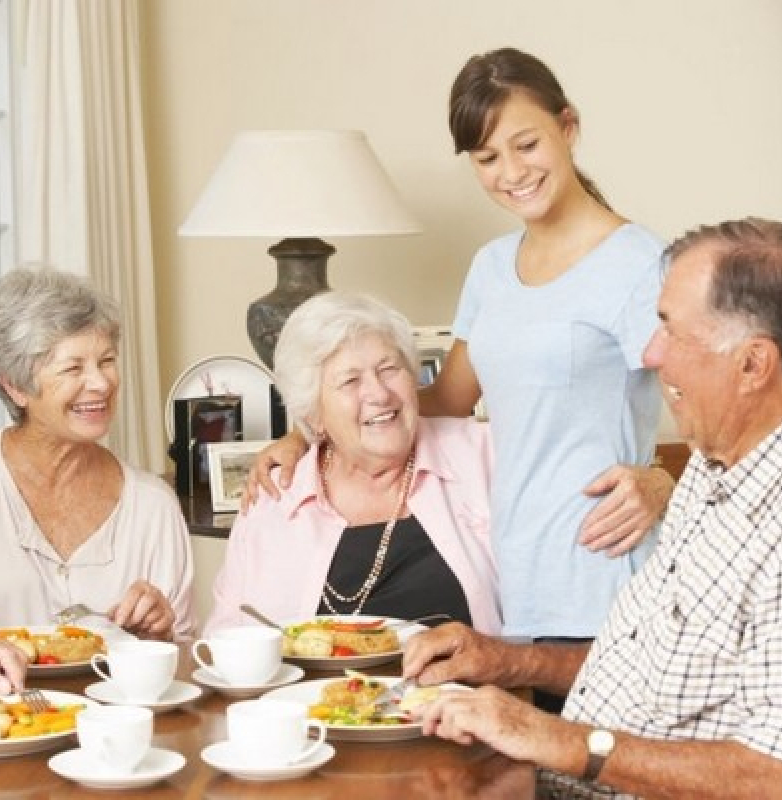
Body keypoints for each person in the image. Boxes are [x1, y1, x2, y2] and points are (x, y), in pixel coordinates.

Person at [244, 48, 673, 709]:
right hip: (513, 586)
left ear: (569, 126)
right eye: (487, 158)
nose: (512, 173)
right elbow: (445, 399)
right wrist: (313, 432)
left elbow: (726, 406)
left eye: (526, 144)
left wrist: (662, 482)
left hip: (601, 574)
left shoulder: (638, 264)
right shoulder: (493, 267)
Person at [403, 218, 782, 799]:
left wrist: (556, 740)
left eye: (669, 329)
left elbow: (776, 774)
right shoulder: (708, 474)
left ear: (753, 364)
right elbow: (642, 666)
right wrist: (505, 663)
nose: (650, 353)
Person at [204, 291, 500, 635]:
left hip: (465, 688)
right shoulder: (274, 498)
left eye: (389, 369)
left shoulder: (481, 456)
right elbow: (227, 641)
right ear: (313, 414)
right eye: (350, 380)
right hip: (310, 691)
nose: (379, 394)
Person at [0, 267, 196, 641]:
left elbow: (183, 667)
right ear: (14, 386)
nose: (101, 383)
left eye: (106, 361)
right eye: (73, 368)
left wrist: (161, 638)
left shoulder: (153, 508)